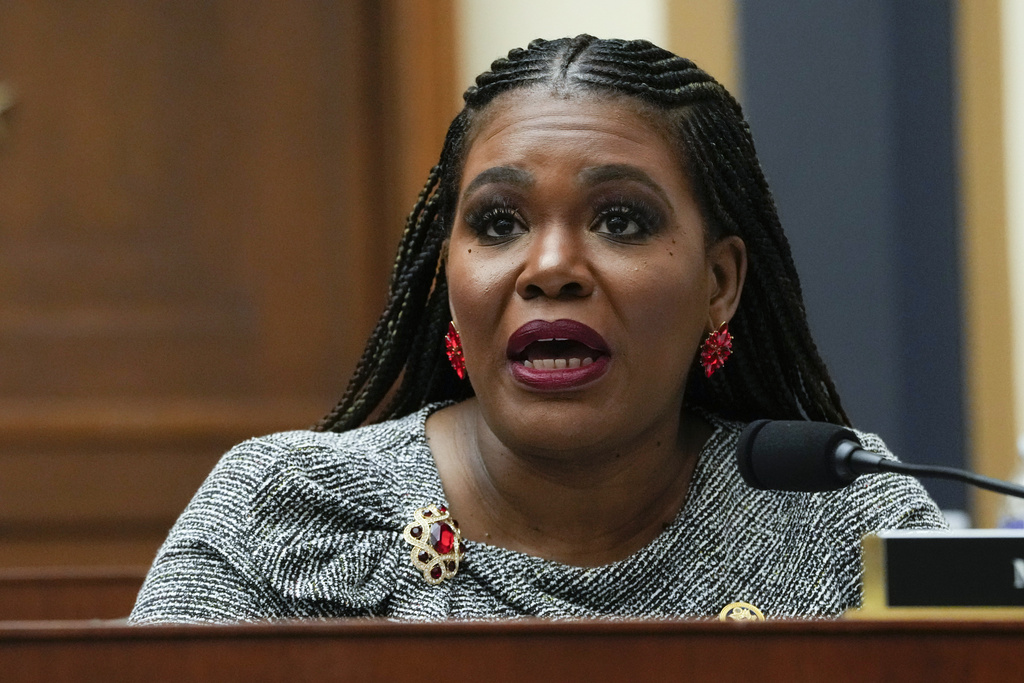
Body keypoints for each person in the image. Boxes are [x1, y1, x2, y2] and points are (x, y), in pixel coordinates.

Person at [130, 35, 944, 624]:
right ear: (448, 276)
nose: (551, 265)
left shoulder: (846, 524)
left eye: (621, 220)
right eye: (498, 221)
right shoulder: (285, 513)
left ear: (719, 284)